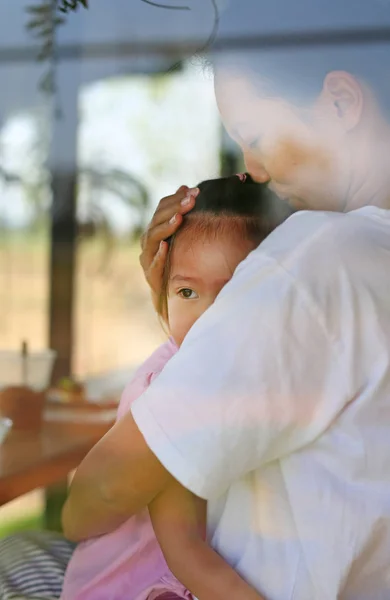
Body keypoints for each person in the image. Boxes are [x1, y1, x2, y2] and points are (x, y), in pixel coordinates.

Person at [62, 1, 390, 599]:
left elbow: (92, 501)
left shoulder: (314, 259)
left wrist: (202, 311)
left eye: (257, 137)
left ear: (342, 103)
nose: (254, 169)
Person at [60, 174, 283, 600]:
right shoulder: (174, 392)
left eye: (234, 292)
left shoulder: (261, 368)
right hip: (143, 583)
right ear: (162, 291)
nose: (207, 318)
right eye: (187, 291)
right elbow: (186, 552)